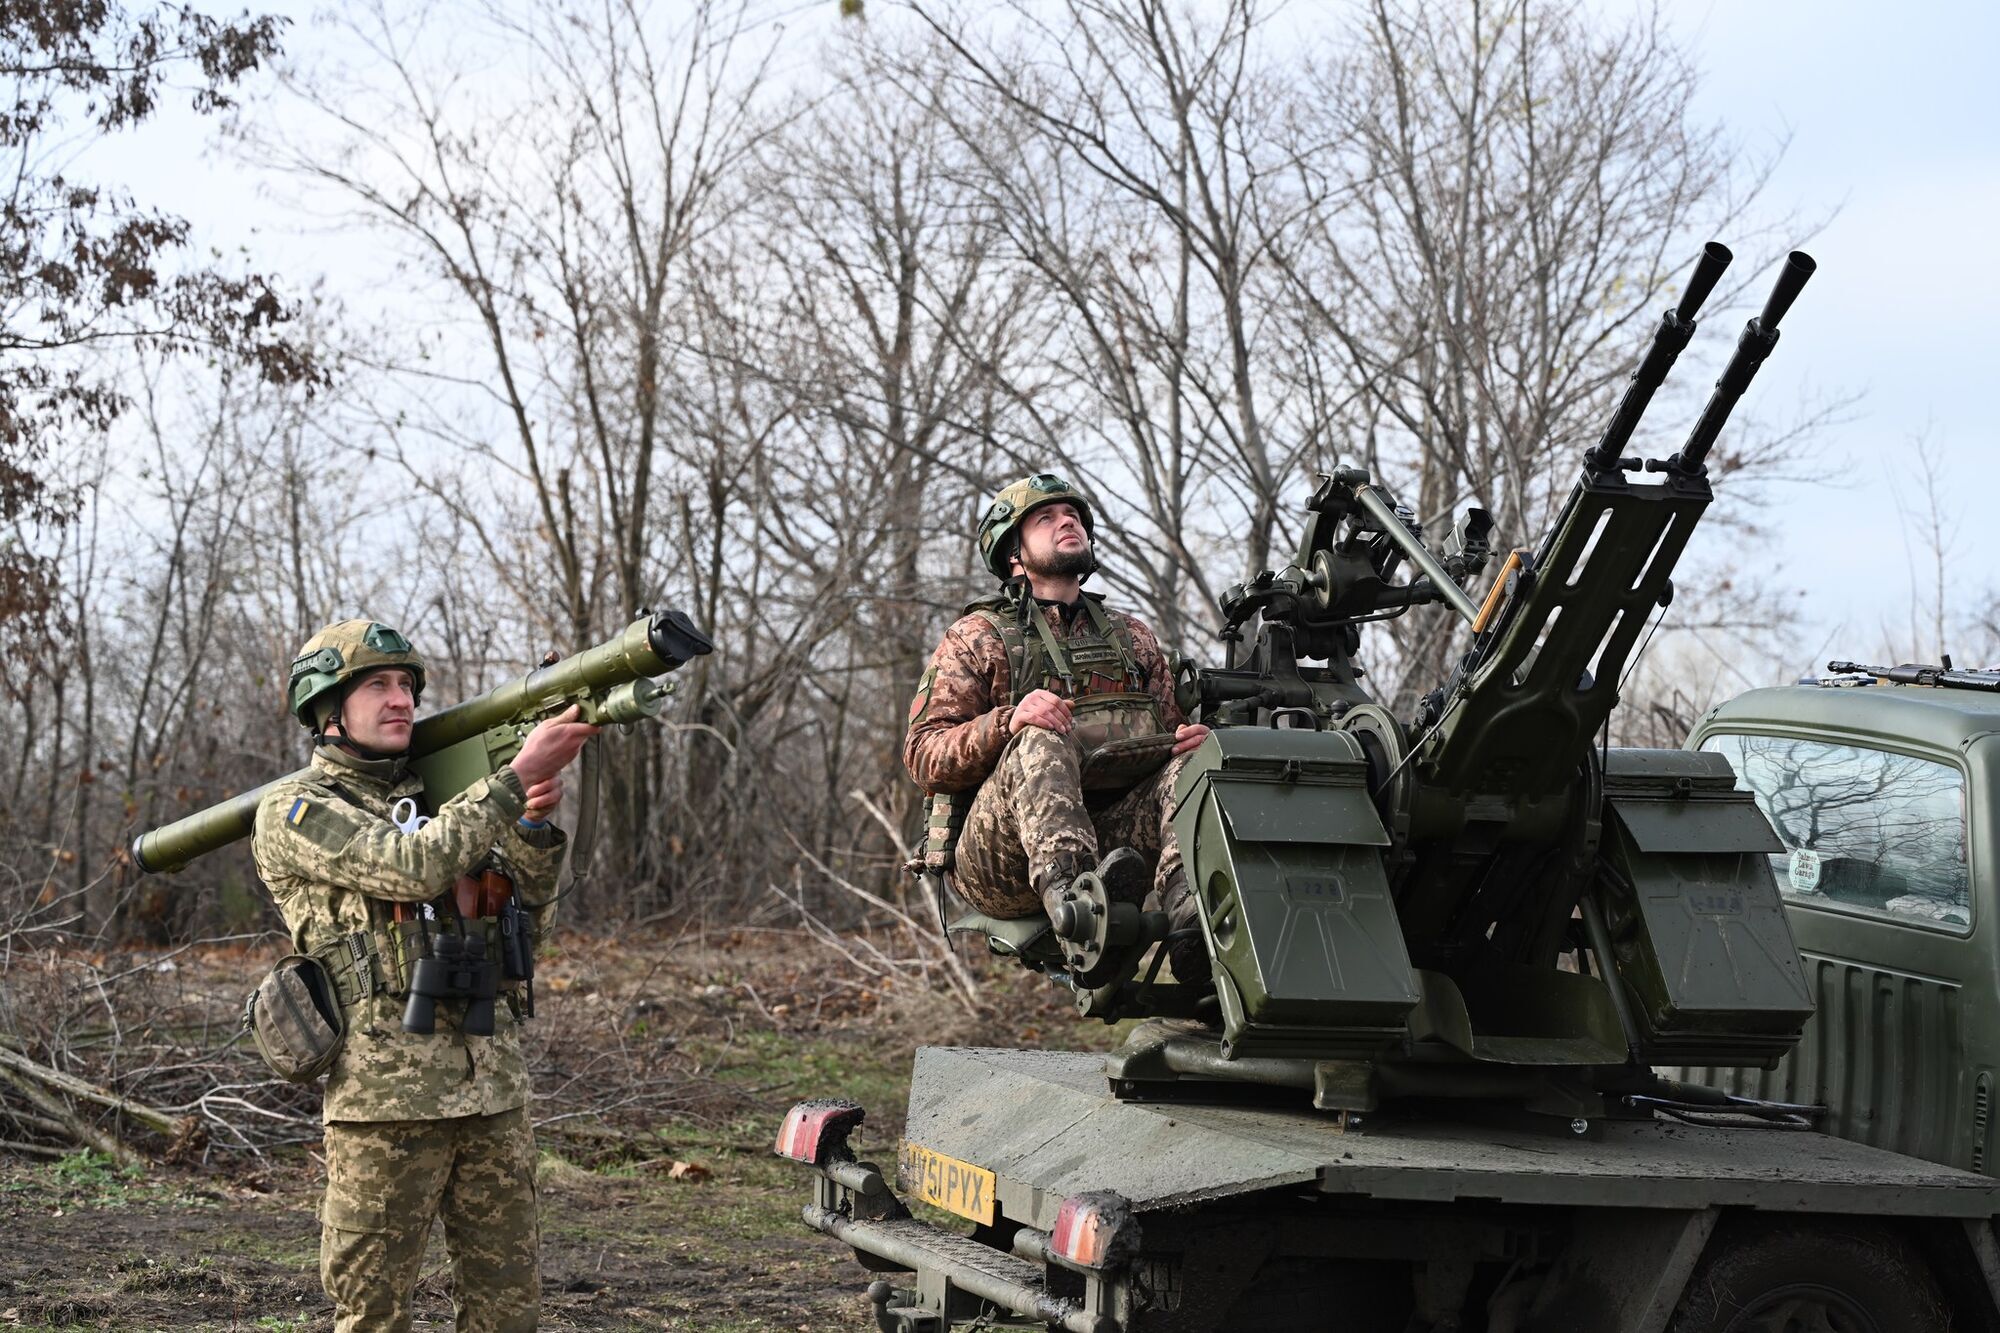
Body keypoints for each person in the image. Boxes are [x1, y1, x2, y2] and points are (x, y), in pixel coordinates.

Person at [251, 619, 597, 1333]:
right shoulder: (296, 809)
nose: (400, 698)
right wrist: (512, 781)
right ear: (327, 708)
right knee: (374, 1314)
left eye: (406, 684)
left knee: (508, 1312)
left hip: (489, 1090)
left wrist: (530, 826)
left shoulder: (452, 798)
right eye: (377, 684)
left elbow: (527, 928)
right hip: (385, 1107)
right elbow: (404, 865)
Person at [904, 473, 1211, 983]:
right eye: (1044, 518)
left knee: (1191, 764)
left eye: (1072, 516)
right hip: (1000, 858)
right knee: (1039, 737)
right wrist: (1009, 721)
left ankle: (1190, 922)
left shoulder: (1132, 638)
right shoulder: (978, 636)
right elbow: (923, 756)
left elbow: (1167, 739)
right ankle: (1080, 914)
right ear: (1014, 556)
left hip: (1111, 839)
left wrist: (1185, 743)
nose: (1066, 521)